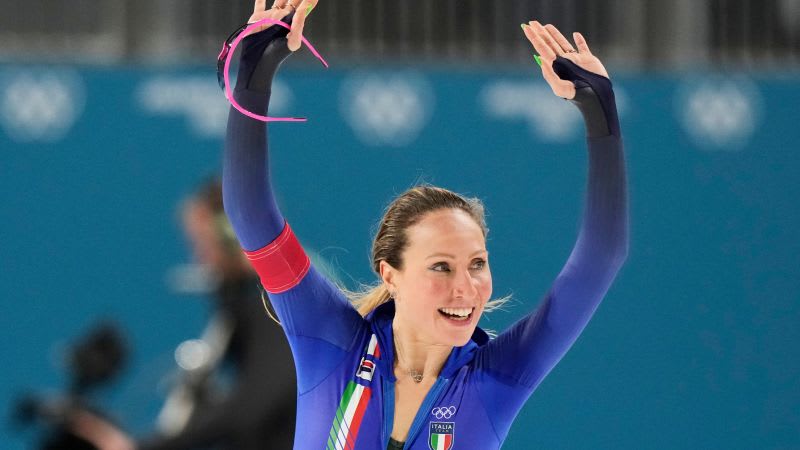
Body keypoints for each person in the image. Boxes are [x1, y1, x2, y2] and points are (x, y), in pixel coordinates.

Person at [223, 1, 628, 449]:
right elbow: (251, 215)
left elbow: (601, 258)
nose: (466, 288)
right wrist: (253, 75)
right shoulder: (331, 344)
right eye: (441, 266)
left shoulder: (499, 377)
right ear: (390, 274)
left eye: (476, 264)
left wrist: (600, 112)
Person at [69, 179, 297, 450]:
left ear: (232, 236)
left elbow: (249, 409)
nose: (199, 259)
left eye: (201, 244)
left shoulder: (271, 306)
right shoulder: (254, 301)